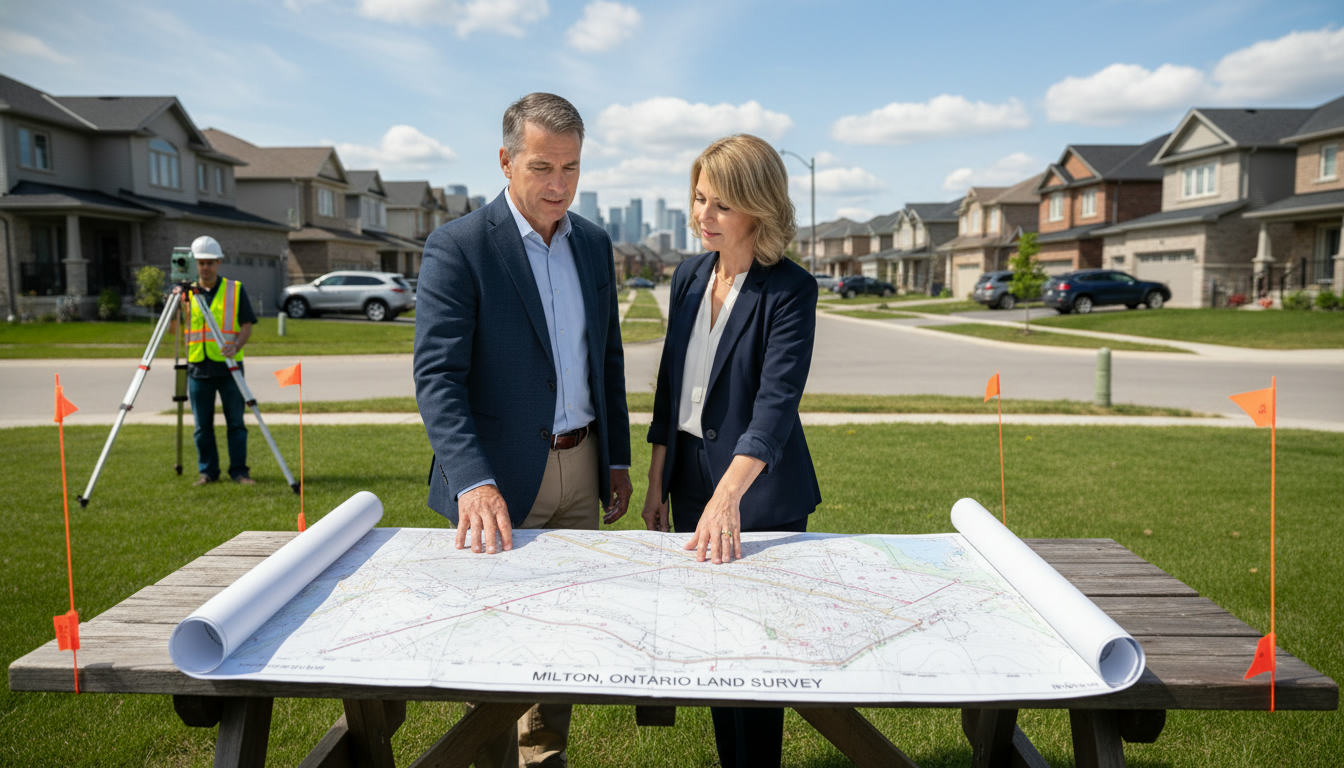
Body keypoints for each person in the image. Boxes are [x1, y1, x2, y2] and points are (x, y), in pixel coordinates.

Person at [413, 92, 632, 768]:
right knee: (496, 635)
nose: (559, 186)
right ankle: (489, 758)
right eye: (542, 168)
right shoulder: (459, 246)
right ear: (505, 162)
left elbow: (608, 359)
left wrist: (616, 460)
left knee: (562, 628)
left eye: (570, 169)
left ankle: (543, 755)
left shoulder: (593, 244)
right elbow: (437, 378)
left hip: (580, 464)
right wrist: (472, 482)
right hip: (498, 478)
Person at [641, 134, 821, 768]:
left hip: (758, 497)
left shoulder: (790, 290)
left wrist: (725, 500)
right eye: (697, 199)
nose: (702, 216)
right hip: (691, 486)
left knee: (757, 659)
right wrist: (658, 480)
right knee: (718, 653)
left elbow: (775, 410)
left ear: (759, 209)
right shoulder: (689, 274)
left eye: (720, 204)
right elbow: (671, 385)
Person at [175, 235, 257, 486]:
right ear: (193, 264)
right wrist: (174, 300)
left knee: (236, 424)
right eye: (200, 263)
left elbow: (246, 324)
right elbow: (172, 330)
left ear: (219, 262)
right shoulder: (185, 295)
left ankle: (240, 472)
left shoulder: (235, 289)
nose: (205, 268)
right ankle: (208, 472)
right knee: (202, 427)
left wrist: (237, 345)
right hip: (198, 368)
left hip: (229, 368)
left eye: (210, 262)